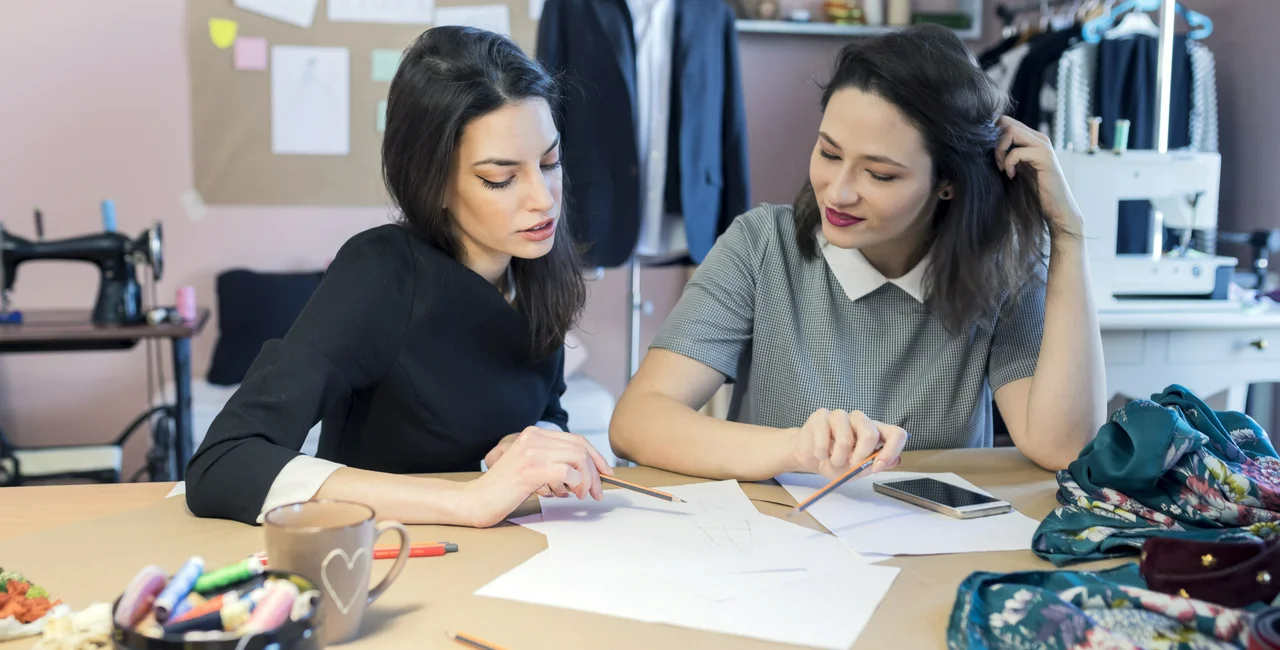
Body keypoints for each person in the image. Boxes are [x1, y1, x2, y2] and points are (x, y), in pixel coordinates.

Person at [609, 25, 1107, 484]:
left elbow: (1064, 447)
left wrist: (1069, 235)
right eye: (829, 153)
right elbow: (637, 421)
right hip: (777, 537)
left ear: (948, 184)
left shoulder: (999, 273)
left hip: (929, 543)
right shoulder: (761, 245)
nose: (838, 192)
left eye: (880, 174)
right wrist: (795, 448)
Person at [186, 26, 613, 527]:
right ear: (431, 181)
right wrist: (466, 501)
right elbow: (223, 462)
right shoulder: (380, 272)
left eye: (550, 162)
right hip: (387, 552)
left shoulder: (536, 265)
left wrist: (529, 444)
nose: (543, 198)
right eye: (500, 178)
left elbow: (547, 407)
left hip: (508, 552)